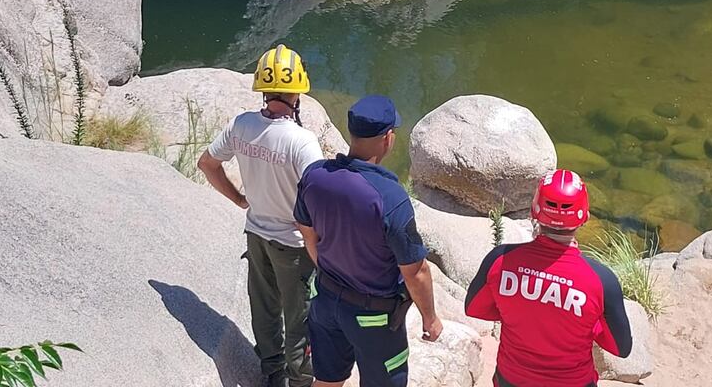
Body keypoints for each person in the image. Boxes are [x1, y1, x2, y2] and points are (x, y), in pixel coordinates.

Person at [293, 95, 442, 387]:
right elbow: (416, 271)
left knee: (326, 379)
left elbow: (305, 226)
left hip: (324, 301)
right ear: (388, 138)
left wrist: (325, 264)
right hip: (373, 318)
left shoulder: (315, 175)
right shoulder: (390, 197)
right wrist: (431, 318)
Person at [197, 45, 324, 387]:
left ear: (263, 88)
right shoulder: (303, 141)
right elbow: (319, 199)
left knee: (265, 310)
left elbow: (207, 165)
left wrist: (240, 199)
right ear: (297, 91)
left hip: (256, 235)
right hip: (294, 245)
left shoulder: (242, 126)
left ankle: (273, 375)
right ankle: (300, 381)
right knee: (300, 319)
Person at [465, 169, 633, 387]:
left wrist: (519, 308)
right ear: (585, 217)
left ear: (534, 213)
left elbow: (474, 308)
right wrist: (584, 323)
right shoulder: (601, 280)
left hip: (511, 380)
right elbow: (621, 348)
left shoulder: (500, 260)